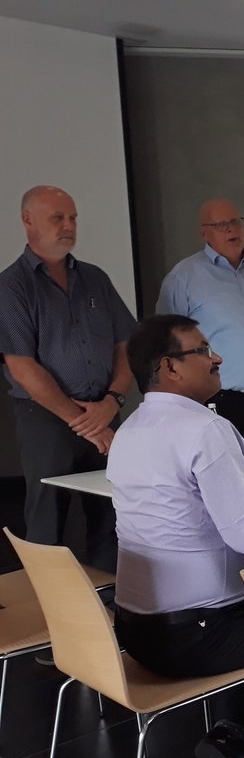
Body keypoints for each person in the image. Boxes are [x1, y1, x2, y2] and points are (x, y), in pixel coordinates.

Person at [107, 314, 244, 758]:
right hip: (198, 636)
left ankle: (230, 730)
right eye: (203, 349)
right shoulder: (206, 429)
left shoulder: (130, 429)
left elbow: (187, 520)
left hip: (137, 632)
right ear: (170, 367)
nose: (217, 358)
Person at [0, 186, 135, 572]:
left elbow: (126, 345)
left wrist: (112, 401)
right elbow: (23, 368)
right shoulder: (11, 287)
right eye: (58, 217)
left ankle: (113, 597)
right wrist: (85, 422)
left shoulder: (95, 278)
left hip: (105, 409)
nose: (69, 226)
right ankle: (50, 604)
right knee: (48, 517)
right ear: (28, 221)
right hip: (46, 419)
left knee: (113, 513)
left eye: (72, 217)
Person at [157, 198, 244, 446]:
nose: (231, 229)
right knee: (227, 468)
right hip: (220, 400)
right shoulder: (183, 277)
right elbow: (165, 343)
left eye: (235, 222)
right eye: (221, 225)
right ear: (204, 232)